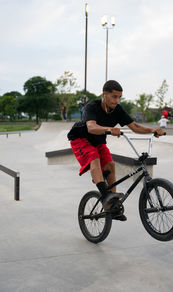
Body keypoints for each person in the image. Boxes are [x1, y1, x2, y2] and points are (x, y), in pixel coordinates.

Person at [67, 80, 164, 221]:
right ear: (104, 95)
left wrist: (152, 130)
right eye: (114, 96)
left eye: (119, 97)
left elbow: (135, 127)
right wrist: (109, 129)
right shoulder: (92, 107)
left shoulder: (118, 109)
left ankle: (113, 206)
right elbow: (91, 127)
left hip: (99, 140)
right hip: (81, 138)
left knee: (110, 164)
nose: (117, 100)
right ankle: (106, 196)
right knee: (94, 158)